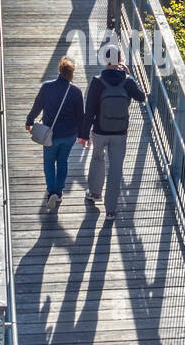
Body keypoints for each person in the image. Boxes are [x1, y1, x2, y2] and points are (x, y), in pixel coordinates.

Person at [79, 40, 146, 221]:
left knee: (97, 158)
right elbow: (141, 97)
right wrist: (129, 75)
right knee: (116, 169)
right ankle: (110, 210)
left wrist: (83, 134)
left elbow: (90, 109)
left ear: (103, 59)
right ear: (120, 59)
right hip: (120, 132)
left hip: (100, 131)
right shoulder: (127, 80)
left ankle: (94, 193)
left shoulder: (97, 82)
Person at [26, 56, 84, 212]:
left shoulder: (47, 87)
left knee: (49, 162)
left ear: (59, 70)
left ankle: (51, 191)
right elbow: (80, 116)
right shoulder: (76, 91)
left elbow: (37, 106)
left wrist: (29, 121)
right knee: (63, 161)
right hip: (69, 135)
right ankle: (59, 192)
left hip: (50, 135)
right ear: (72, 73)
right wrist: (83, 134)